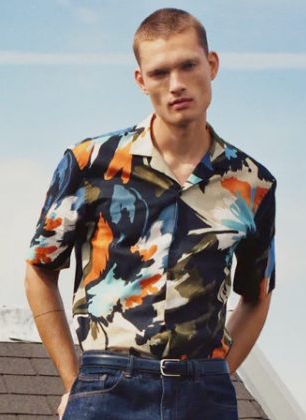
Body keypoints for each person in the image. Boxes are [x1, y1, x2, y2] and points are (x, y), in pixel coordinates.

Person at [24, 7, 277, 420]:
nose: (176, 84)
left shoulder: (253, 184)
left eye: (188, 65)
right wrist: (76, 383)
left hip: (203, 394)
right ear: (141, 81)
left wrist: (216, 374)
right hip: (107, 387)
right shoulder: (90, 164)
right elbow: (39, 269)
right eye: (159, 73)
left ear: (211, 66)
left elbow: (257, 295)